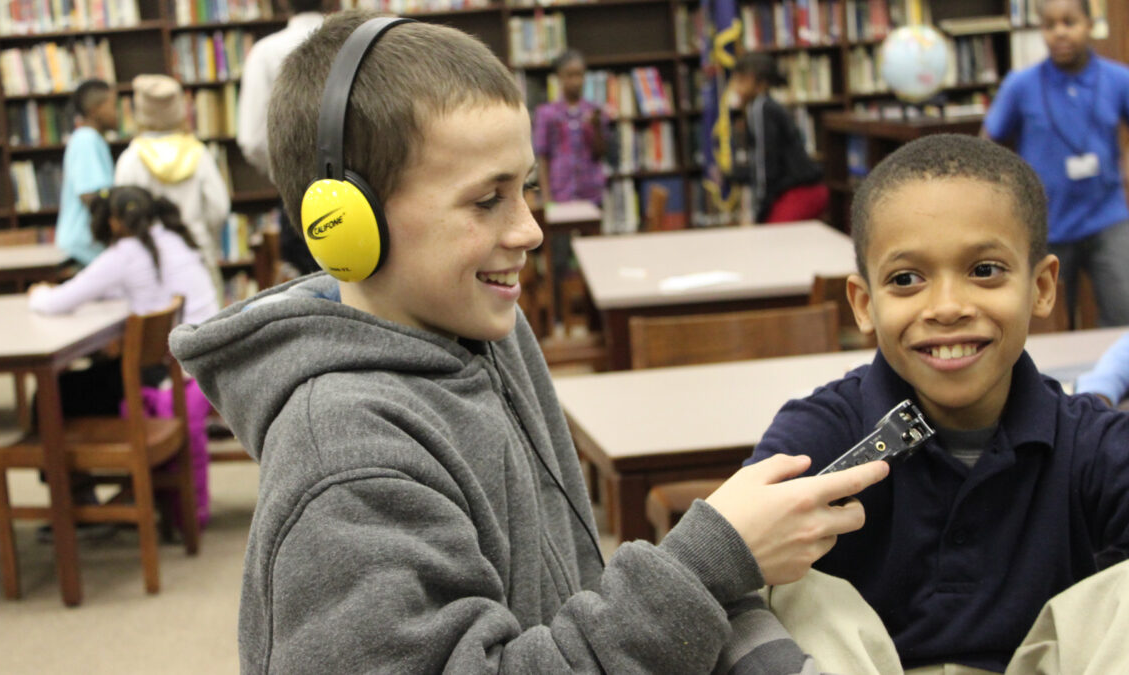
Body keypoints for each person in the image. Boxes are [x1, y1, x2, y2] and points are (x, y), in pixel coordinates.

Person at [170, 10, 891, 672]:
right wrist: (703, 566)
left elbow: (557, 600)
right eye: (488, 199)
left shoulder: (486, 330)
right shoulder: (343, 458)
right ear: (344, 223)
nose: (529, 230)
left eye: (527, 189)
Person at [746, 133, 1129, 673]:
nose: (947, 307)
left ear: (1041, 287)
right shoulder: (824, 431)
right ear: (864, 303)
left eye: (985, 271)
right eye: (906, 280)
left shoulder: (1090, 443)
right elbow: (724, 566)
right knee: (780, 587)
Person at [30, 185, 218, 529]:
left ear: (115, 222)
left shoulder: (126, 254)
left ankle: (77, 501)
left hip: (163, 375)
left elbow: (56, 303)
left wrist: (38, 292)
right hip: (196, 366)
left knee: (52, 394)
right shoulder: (173, 240)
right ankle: (111, 493)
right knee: (95, 375)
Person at [983, 0, 1129, 327]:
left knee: (1124, 313)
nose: (1060, 32)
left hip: (1109, 219)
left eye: (1069, 22)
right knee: (1050, 321)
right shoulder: (1020, 85)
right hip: (1048, 225)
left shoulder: (1119, 79)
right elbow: (988, 142)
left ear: (1090, 25)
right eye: (1049, 25)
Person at [115, 74, 231, 301]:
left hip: (149, 261)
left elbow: (122, 215)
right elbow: (219, 208)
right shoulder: (199, 154)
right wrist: (204, 234)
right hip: (197, 252)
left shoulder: (131, 159)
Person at [237, 0, 325, 275]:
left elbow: (252, 140)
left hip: (300, 194)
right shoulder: (357, 39)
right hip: (369, 187)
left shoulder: (265, 52)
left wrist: (285, 172)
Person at [729, 53, 827, 224]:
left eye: (741, 80)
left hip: (798, 193)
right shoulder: (765, 106)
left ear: (760, 83)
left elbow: (764, 162)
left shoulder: (759, 108)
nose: (736, 87)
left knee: (772, 242)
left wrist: (761, 208)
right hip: (803, 191)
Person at [532, 49, 611, 206]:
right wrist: (546, 196)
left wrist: (595, 127)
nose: (576, 81)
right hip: (560, 193)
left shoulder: (594, 111)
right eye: (570, 75)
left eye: (580, 75)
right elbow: (542, 157)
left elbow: (601, 153)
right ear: (559, 77)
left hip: (591, 193)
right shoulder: (546, 113)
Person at [56, 79, 117, 265]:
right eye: (113, 106)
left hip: (88, 247)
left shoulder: (92, 140)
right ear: (95, 109)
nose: (117, 113)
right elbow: (91, 196)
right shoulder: (86, 140)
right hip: (83, 248)